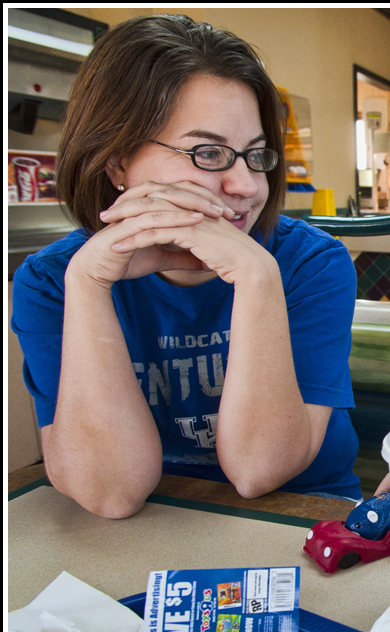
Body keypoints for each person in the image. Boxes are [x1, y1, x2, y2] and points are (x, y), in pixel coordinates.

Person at [10, 15, 362, 519]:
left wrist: (256, 277)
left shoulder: (310, 264)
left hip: (299, 518)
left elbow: (259, 471)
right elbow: (110, 493)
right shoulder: (54, 280)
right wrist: (88, 287)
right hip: (145, 528)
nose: (247, 185)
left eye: (256, 155)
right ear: (116, 164)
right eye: (209, 153)